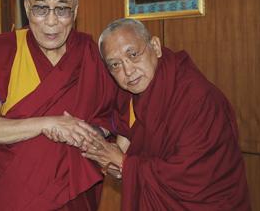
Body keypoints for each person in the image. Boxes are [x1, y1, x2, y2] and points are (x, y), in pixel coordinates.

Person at [0, 0, 116, 211]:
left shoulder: (89, 53)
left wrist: (92, 131)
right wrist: (48, 123)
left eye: (62, 9)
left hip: (75, 196)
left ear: (75, 12)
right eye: (41, 8)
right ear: (28, 9)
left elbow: (113, 114)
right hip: (16, 197)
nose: (52, 21)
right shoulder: (5, 52)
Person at [82, 18, 251, 210]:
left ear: (155, 46)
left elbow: (192, 175)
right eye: (115, 65)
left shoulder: (197, 99)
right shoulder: (132, 93)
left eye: (133, 54)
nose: (128, 71)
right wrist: (117, 164)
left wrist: (124, 164)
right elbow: (121, 131)